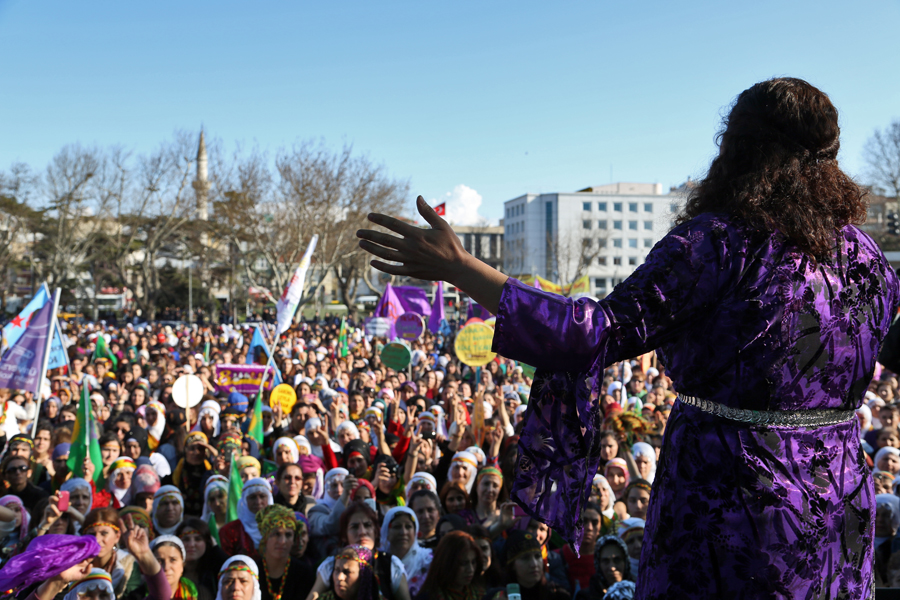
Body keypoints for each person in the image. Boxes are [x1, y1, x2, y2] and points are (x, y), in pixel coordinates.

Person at [356, 77, 899, 597]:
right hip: (840, 498)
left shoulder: (720, 245)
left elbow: (593, 332)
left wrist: (462, 268)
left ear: (738, 149)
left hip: (735, 503)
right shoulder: (869, 258)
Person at [307, 501, 411, 600]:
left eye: (367, 525)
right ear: (344, 535)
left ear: (375, 531)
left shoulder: (390, 565)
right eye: (354, 527)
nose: (362, 532)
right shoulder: (331, 565)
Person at [484, 530, 569, 600]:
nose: (534, 564)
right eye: (525, 558)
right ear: (512, 565)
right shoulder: (499, 596)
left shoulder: (558, 595)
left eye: (537, 556)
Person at [255, 505, 316, 600]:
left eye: (288, 535)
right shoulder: (253, 573)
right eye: (276, 534)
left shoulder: (304, 574)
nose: (283, 541)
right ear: (265, 537)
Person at [413, 530, 484, 600]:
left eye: (473, 562)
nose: (470, 569)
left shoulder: (481, 594)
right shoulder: (428, 597)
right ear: (448, 563)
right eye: (463, 563)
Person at [380, 506, 432, 597]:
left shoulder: (427, 560)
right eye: (397, 527)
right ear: (386, 531)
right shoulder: (379, 562)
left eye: (408, 527)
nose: (403, 532)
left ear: (415, 531)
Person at [219, 478, 273, 562]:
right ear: (244, 500)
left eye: (262, 496)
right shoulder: (229, 531)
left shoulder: (278, 527)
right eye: (252, 497)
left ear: (269, 499)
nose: (258, 502)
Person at [177, 517, 228, 600]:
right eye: (186, 539)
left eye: (198, 539)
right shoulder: (169, 570)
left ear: (207, 542)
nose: (191, 544)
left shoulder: (214, 570)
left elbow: (230, 566)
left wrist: (215, 548)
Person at [586, 536, 634, 600]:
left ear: (625, 562)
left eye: (617, 560)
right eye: (605, 561)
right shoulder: (585, 597)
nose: (612, 568)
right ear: (598, 564)